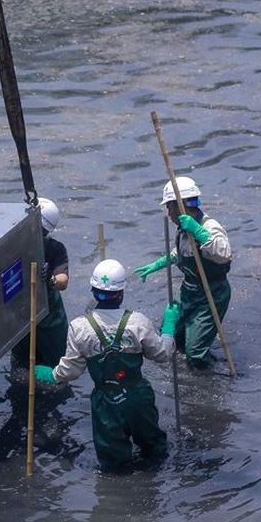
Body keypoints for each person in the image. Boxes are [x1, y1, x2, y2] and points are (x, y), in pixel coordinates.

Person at [35, 259, 178, 471]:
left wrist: (50, 374)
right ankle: (157, 487)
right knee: (155, 450)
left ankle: (116, 497)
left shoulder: (80, 327)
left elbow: (71, 371)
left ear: (93, 291)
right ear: (121, 293)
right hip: (138, 397)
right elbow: (163, 354)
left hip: (106, 402)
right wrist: (169, 327)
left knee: (113, 463)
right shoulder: (138, 322)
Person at [134, 176, 232, 371]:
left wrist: (199, 232)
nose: (167, 212)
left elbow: (224, 253)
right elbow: (181, 253)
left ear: (180, 206)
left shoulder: (208, 226)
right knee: (172, 338)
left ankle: (207, 379)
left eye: (169, 207)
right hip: (189, 290)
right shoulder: (182, 228)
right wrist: (158, 264)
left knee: (194, 353)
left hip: (211, 292)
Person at [10, 197, 69, 372]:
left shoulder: (55, 248)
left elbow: (63, 280)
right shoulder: (13, 245)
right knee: (21, 365)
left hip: (49, 317)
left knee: (56, 367)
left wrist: (51, 279)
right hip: (21, 315)